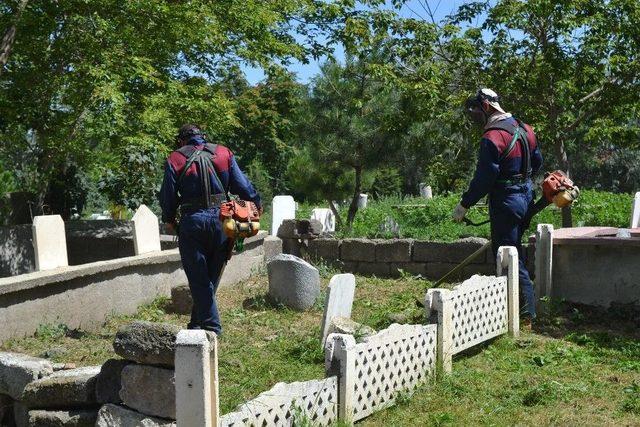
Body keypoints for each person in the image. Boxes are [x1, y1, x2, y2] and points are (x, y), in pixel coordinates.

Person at [159, 124, 261, 335]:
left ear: (181, 141)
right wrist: (256, 203)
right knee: (211, 277)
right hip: (222, 220)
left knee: (198, 278)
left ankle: (212, 328)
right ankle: (197, 325)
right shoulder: (223, 152)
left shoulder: (175, 159)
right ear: (202, 137)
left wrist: (169, 218)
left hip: (192, 222)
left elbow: (167, 196)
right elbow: (243, 186)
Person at [452, 89, 543, 321]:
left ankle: (525, 312)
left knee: (507, 255)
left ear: (487, 107)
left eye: (476, 112)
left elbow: (485, 178)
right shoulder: (526, 129)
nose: (475, 118)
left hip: (506, 201)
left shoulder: (493, 137)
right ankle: (514, 307)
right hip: (526, 197)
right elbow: (538, 161)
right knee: (515, 251)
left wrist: (465, 204)